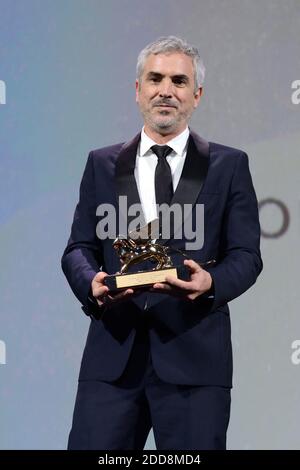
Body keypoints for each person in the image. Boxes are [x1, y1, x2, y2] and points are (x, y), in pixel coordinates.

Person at [61, 35, 262, 450]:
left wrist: (211, 283)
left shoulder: (229, 165)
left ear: (197, 94)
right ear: (138, 90)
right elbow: (78, 248)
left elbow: (246, 255)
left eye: (179, 81)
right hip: (113, 360)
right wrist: (90, 282)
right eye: (155, 79)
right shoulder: (101, 163)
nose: (166, 90)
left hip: (195, 362)